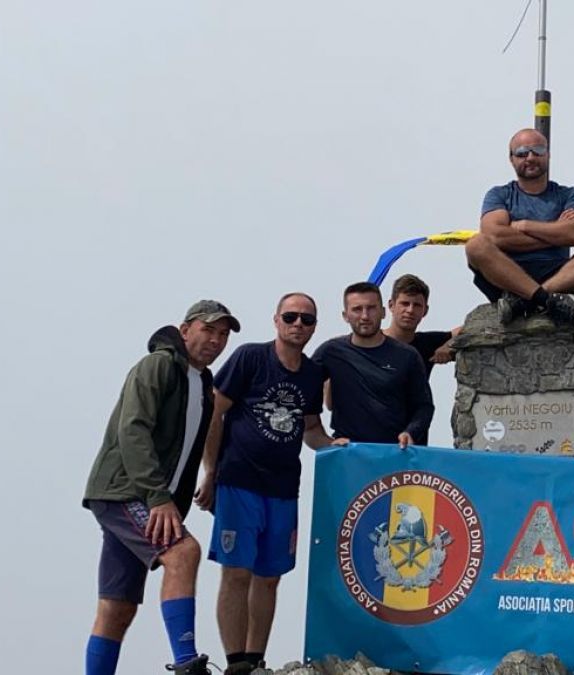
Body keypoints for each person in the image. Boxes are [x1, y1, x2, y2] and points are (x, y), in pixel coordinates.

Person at [82, 300, 239, 675]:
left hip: (147, 497)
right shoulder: (158, 365)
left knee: (117, 606)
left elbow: (192, 442)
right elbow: (133, 430)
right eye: (208, 330)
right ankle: (186, 663)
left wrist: (209, 476)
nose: (215, 340)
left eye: (223, 334)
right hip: (126, 491)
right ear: (185, 330)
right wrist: (157, 498)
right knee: (183, 552)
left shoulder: (203, 382)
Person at [192, 293, 339, 674]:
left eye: (306, 319)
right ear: (276, 320)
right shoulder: (250, 358)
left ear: (314, 327)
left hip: (284, 488)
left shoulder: (312, 374)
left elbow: (310, 429)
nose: (298, 324)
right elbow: (214, 410)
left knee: (270, 577)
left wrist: (335, 445)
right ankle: (235, 661)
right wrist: (211, 472)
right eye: (290, 317)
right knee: (236, 572)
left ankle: (255, 659)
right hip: (239, 480)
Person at [465, 128, 574, 325]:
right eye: (522, 153)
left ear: (548, 154)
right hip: (508, 275)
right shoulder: (499, 194)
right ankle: (547, 301)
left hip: (561, 275)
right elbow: (495, 236)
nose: (530, 157)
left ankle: (526, 301)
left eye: (537, 151)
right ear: (511, 159)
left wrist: (525, 226)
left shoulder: (568, 195)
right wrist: (557, 233)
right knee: (475, 245)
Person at [312, 282, 433, 447]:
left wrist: (410, 432)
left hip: (394, 451)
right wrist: (324, 440)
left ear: (383, 312)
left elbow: (424, 407)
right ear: (345, 315)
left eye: (371, 308)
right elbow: (302, 388)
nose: (365, 316)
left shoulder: (408, 355)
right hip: (347, 451)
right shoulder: (331, 352)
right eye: (357, 309)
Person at [382, 274, 459, 380]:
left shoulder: (427, 343)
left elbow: (468, 329)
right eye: (405, 304)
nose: (410, 310)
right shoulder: (371, 341)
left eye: (417, 305)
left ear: (425, 310)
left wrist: (449, 345)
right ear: (391, 305)